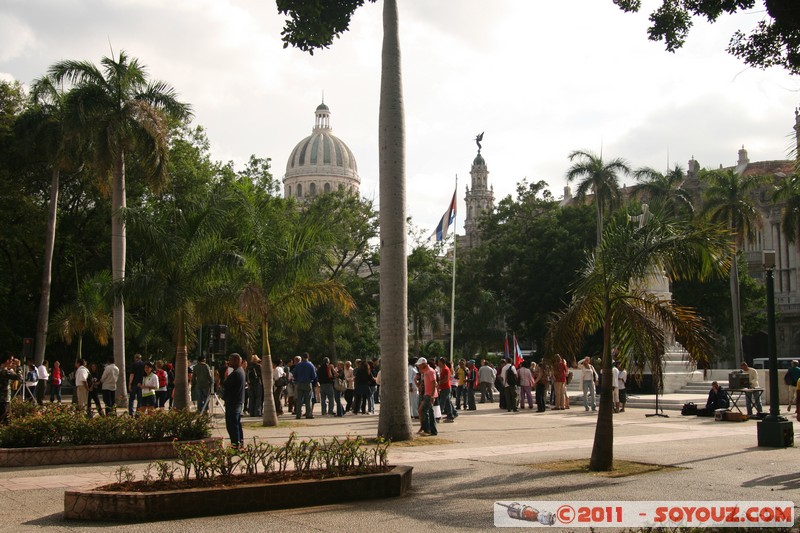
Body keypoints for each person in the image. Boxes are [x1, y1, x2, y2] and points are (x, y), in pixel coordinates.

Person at [222, 353, 246, 448]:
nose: (229, 362)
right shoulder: (240, 371)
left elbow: (226, 384)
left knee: (232, 425)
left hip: (233, 402)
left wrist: (226, 377)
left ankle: (236, 445)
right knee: (236, 424)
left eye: (231, 360)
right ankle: (239, 443)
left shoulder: (236, 373)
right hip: (236, 401)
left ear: (236, 360)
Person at [416, 357, 438, 436]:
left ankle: (428, 429)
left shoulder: (430, 371)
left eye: (419, 365)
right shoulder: (425, 372)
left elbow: (434, 383)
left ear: (424, 364)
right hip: (427, 394)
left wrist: (432, 395)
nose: (418, 367)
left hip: (429, 394)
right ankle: (430, 429)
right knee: (427, 412)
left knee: (423, 411)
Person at [292, 352, 317, 419]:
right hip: (308, 383)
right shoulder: (310, 365)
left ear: (302, 357)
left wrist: (298, 379)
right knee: (308, 400)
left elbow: (294, 375)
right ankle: (308, 414)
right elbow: (314, 376)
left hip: (299, 383)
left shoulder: (298, 365)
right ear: (308, 357)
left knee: (299, 400)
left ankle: (298, 414)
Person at [0, 355, 21, 424]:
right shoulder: (4, 371)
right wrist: (18, 366)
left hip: (3, 399)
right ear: (7, 361)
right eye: (12, 360)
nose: (12, 362)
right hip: (4, 399)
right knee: (4, 420)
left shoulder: (3, 370)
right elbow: (18, 377)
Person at [437, 358, 456, 422]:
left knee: (442, 402)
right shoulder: (442, 369)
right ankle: (450, 416)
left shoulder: (446, 369)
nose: (438, 364)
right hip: (444, 388)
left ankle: (438, 416)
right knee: (447, 402)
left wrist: (439, 383)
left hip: (446, 388)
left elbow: (446, 379)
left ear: (442, 362)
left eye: (439, 362)